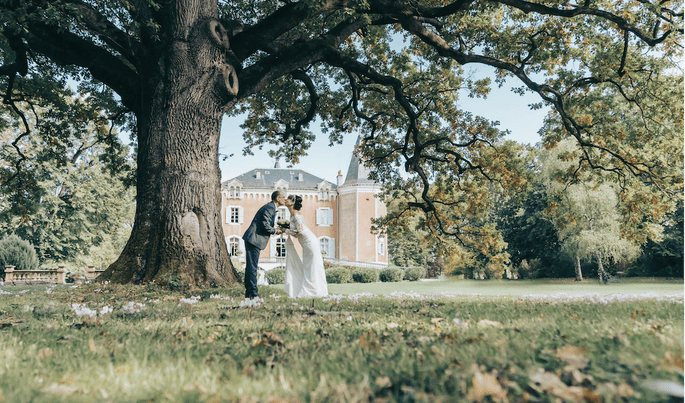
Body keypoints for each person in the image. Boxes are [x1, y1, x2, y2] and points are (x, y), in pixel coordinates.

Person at [242, 190, 286, 299]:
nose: (284, 199)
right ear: (277, 198)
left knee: (251, 266)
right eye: (283, 197)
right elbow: (265, 225)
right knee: (252, 267)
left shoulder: (271, 207)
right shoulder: (270, 207)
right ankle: (253, 293)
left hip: (253, 239)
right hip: (254, 239)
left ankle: (249, 292)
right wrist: (275, 231)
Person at [283, 195, 328, 298]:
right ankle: (313, 290)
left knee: (312, 266)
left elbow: (301, 232)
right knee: (309, 266)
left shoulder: (296, 214)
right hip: (306, 243)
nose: (285, 199)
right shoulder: (292, 214)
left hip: (309, 242)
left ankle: (313, 291)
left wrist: (285, 231)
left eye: (288, 198)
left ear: (293, 202)